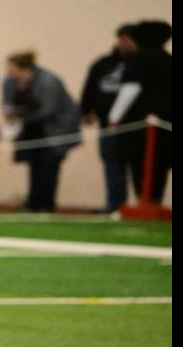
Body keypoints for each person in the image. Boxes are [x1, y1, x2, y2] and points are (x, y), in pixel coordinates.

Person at [1, 50, 78, 212]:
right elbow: (7, 103)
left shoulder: (48, 81)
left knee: (49, 166)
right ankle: (33, 203)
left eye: (15, 72)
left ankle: (46, 204)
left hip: (56, 129)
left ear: (26, 68)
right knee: (33, 165)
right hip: (33, 128)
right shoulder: (10, 81)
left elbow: (48, 110)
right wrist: (10, 114)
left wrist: (19, 115)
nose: (13, 76)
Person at [110, 20, 171, 208]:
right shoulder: (168, 59)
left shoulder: (138, 59)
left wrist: (114, 117)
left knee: (139, 163)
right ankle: (155, 201)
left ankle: (144, 201)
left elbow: (130, 89)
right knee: (161, 165)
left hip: (140, 123)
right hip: (165, 121)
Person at [79, 24, 132, 213]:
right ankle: (114, 204)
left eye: (128, 39)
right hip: (106, 125)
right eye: (121, 38)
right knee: (112, 165)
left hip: (134, 126)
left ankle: (140, 205)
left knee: (137, 167)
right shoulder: (103, 64)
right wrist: (85, 110)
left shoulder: (140, 63)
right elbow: (90, 86)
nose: (123, 43)